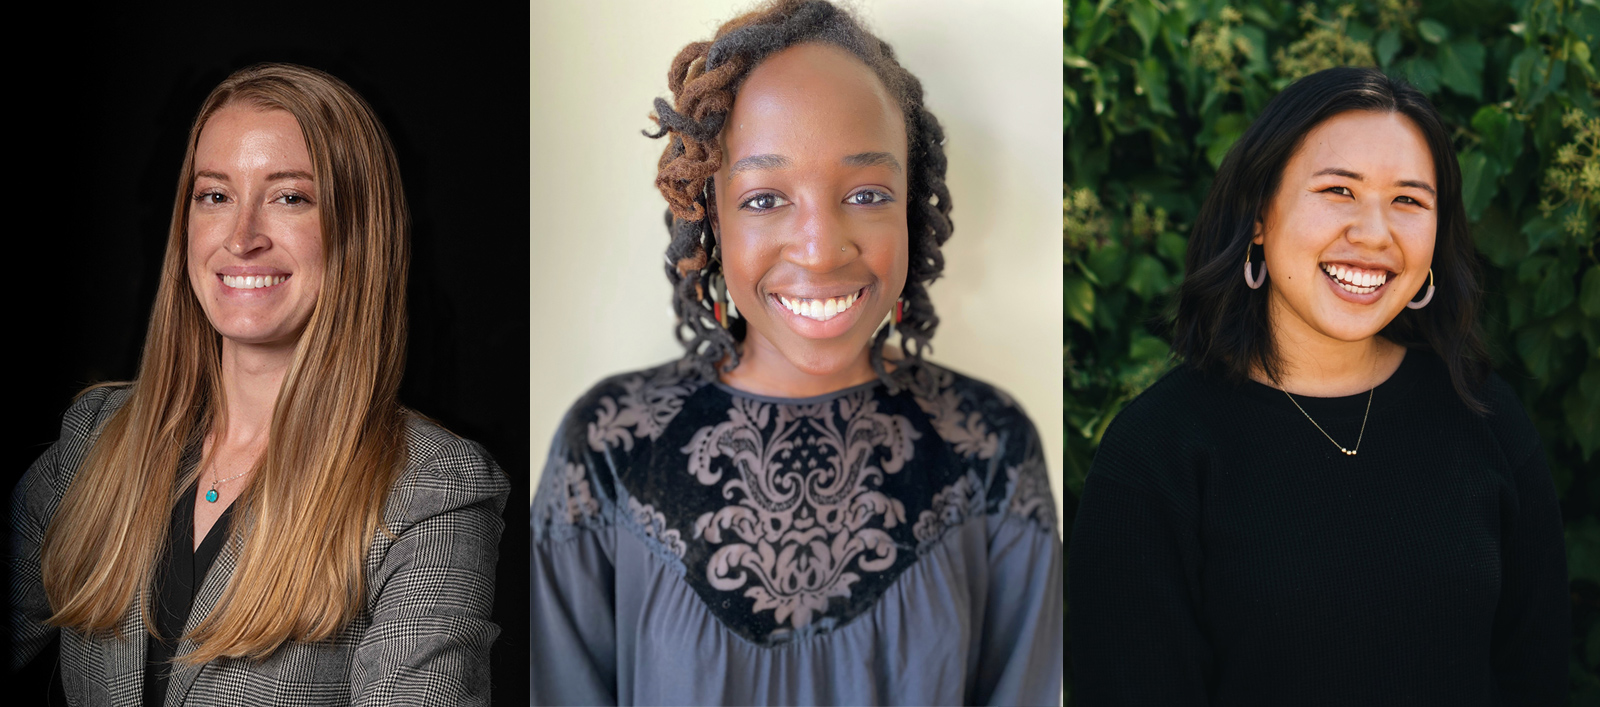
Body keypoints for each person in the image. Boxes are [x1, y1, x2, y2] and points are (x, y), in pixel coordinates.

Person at [528, 1, 1063, 704]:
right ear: (709, 216)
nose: (819, 246)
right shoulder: (607, 448)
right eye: (764, 199)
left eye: (867, 193)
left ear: (910, 207)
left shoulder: (991, 446)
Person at [8, 63, 509, 706]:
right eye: (214, 195)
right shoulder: (97, 436)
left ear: (359, 229)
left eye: (289, 197)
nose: (241, 238)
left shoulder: (431, 492)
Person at [1068, 67, 1570, 704]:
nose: (1373, 233)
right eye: (1339, 191)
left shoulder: (1487, 418)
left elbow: (1539, 679)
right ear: (1257, 214)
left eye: (1409, 201)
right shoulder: (1155, 454)